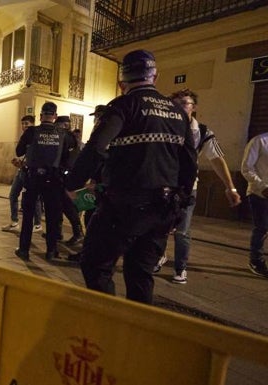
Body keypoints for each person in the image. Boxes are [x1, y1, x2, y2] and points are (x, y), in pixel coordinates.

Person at [65, 49, 197, 304]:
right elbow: (190, 162)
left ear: (121, 82)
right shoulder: (178, 112)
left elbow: (96, 147)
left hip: (123, 206)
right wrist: (181, 202)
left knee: (96, 265)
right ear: (155, 77)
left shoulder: (123, 106)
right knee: (140, 273)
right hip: (163, 208)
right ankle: (137, 332)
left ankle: (111, 321)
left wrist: (72, 184)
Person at [153, 88, 241, 283]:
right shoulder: (162, 127)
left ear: (194, 107)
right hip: (163, 185)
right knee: (160, 226)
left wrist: (231, 187)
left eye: (185, 103)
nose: (179, 107)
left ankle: (180, 267)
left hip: (187, 187)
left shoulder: (202, 132)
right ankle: (159, 256)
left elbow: (217, 159)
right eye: (176, 104)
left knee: (182, 231)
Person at [14, 102, 70, 261]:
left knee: (28, 215)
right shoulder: (63, 133)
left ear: (40, 116)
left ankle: (24, 250)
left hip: (33, 178)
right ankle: (51, 251)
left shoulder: (32, 131)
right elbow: (67, 158)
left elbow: (19, 151)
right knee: (52, 216)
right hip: (53, 179)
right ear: (55, 116)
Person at [67, 105, 108, 262]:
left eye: (98, 116)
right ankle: (89, 250)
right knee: (90, 215)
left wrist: (94, 180)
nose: (95, 119)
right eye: (95, 116)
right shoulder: (103, 131)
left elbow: (98, 157)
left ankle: (89, 253)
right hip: (97, 182)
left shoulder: (106, 133)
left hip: (100, 184)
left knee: (92, 217)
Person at [2, 115, 42, 233]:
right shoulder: (25, 137)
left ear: (32, 124)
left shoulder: (35, 136)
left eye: (27, 124)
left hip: (30, 172)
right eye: (23, 123)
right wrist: (19, 162)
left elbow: (35, 158)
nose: (24, 126)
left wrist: (23, 164)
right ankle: (14, 222)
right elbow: (23, 154)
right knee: (13, 195)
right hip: (22, 170)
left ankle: (38, 224)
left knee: (34, 198)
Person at [241, 132, 268, 278]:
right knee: (262, 227)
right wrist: (263, 186)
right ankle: (256, 260)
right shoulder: (259, 141)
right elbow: (246, 167)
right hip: (260, 194)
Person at [55, 115, 84, 246]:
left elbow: (68, 158)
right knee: (59, 205)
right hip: (67, 175)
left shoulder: (67, 137)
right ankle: (57, 232)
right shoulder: (71, 137)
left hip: (65, 176)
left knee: (68, 206)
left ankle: (78, 234)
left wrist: (63, 172)